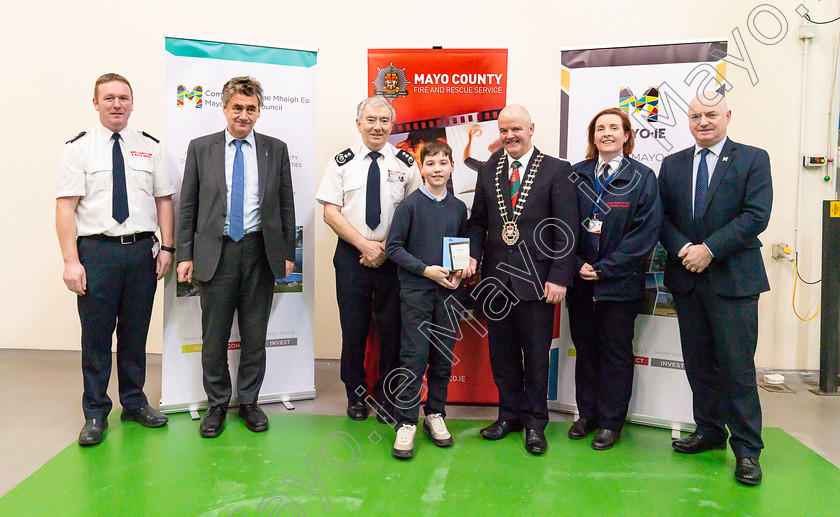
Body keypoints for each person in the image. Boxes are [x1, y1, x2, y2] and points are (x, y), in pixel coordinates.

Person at [658, 92, 772, 485]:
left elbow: (756, 216)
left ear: (727, 116)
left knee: (737, 369)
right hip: (688, 280)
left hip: (734, 281)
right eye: (695, 116)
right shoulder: (672, 165)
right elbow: (662, 219)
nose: (702, 122)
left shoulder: (753, 159)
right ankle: (708, 431)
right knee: (699, 365)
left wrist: (709, 249)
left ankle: (747, 450)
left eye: (710, 115)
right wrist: (685, 248)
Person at [56, 73, 174, 446]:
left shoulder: (149, 147)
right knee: (95, 337)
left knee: (135, 334)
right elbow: (65, 208)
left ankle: (134, 403)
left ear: (133, 102)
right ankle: (95, 412)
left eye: (123, 97)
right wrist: (70, 261)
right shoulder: (78, 148)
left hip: (141, 251)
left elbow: (164, 201)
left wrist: (167, 247)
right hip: (97, 253)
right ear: (95, 103)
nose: (116, 104)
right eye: (108, 98)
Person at [177, 76, 296, 438]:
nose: (243, 115)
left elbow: (286, 205)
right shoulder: (201, 148)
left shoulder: (275, 149)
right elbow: (189, 205)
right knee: (213, 336)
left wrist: (288, 253)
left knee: (254, 333)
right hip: (217, 252)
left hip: (261, 251)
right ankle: (216, 405)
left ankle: (249, 402)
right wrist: (185, 254)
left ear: (259, 112)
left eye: (251, 108)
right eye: (237, 108)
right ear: (225, 108)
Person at [464, 104, 578, 455]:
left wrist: (559, 276)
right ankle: (508, 416)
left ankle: (535, 423)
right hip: (497, 281)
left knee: (536, 356)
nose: (510, 136)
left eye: (516, 129)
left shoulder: (558, 170)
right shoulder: (488, 170)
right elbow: (478, 222)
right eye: (504, 130)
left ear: (532, 128)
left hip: (539, 282)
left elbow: (567, 228)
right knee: (503, 355)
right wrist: (471, 255)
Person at [316, 96, 421, 422]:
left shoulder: (405, 162)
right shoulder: (341, 161)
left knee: (393, 331)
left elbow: (415, 210)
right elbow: (330, 212)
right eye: (371, 120)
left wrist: (386, 248)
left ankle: (388, 396)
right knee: (354, 330)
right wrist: (364, 244)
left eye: (384, 121)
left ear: (392, 125)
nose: (377, 126)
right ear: (358, 123)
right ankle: (355, 395)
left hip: (394, 257)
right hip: (351, 256)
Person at [567, 108, 663, 450]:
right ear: (593, 137)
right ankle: (587, 415)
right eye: (600, 128)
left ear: (626, 136)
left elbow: (645, 234)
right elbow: (562, 225)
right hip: (579, 284)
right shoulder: (575, 175)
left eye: (614, 128)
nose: (606, 133)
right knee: (586, 350)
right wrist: (576, 263)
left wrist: (605, 268)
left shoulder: (643, 177)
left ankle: (610, 422)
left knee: (615, 354)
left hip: (619, 286)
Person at [385, 141, 468, 459]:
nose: (437, 169)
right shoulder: (409, 206)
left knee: (443, 358)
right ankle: (406, 421)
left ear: (451, 168)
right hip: (416, 293)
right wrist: (425, 271)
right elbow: (393, 248)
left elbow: (460, 246)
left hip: (449, 294)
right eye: (430, 163)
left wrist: (460, 271)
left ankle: (435, 413)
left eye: (443, 163)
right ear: (421, 168)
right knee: (414, 358)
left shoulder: (459, 208)